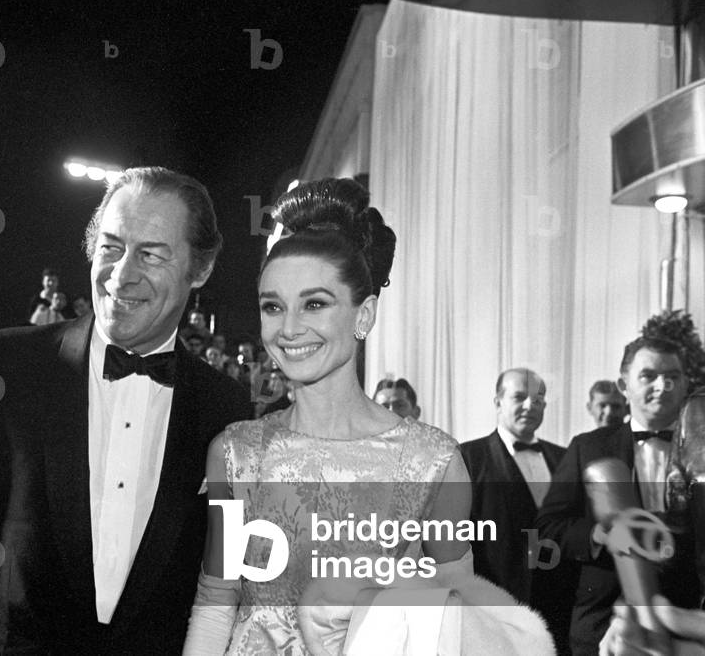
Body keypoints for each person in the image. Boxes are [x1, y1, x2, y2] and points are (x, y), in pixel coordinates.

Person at [184, 178, 552, 654]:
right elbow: (216, 602)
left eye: (315, 303)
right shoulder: (236, 453)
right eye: (273, 306)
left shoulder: (432, 462)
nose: (289, 328)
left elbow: (455, 622)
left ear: (364, 315)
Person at [0, 167, 250, 654]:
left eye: (151, 254)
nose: (121, 275)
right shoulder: (4, 366)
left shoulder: (226, 408)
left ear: (201, 268)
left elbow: (225, 585)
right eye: (111, 247)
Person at [536, 336, 696, 655]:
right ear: (624, 386)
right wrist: (601, 534)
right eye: (648, 376)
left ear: (684, 385)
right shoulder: (587, 447)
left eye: (672, 377)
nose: (662, 386)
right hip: (603, 625)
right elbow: (547, 528)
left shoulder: (701, 451)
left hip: (687, 624)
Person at [460, 368, 572, 652]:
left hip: (559, 610)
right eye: (519, 397)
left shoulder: (565, 458)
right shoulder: (467, 458)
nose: (530, 406)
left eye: (538, 400)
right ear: (498, 402)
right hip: (497, 614)